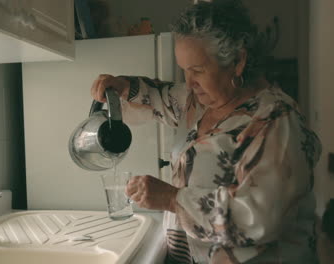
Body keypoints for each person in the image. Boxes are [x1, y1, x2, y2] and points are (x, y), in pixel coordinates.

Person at [90, 0, 322, 263]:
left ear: (238, 61)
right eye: (184, 70)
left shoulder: (277, 119)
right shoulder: (201, 102)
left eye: (197, 70)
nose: (189, 83)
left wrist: (171, 198)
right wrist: (121, 86)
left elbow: (258, 218)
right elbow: (159, 97)